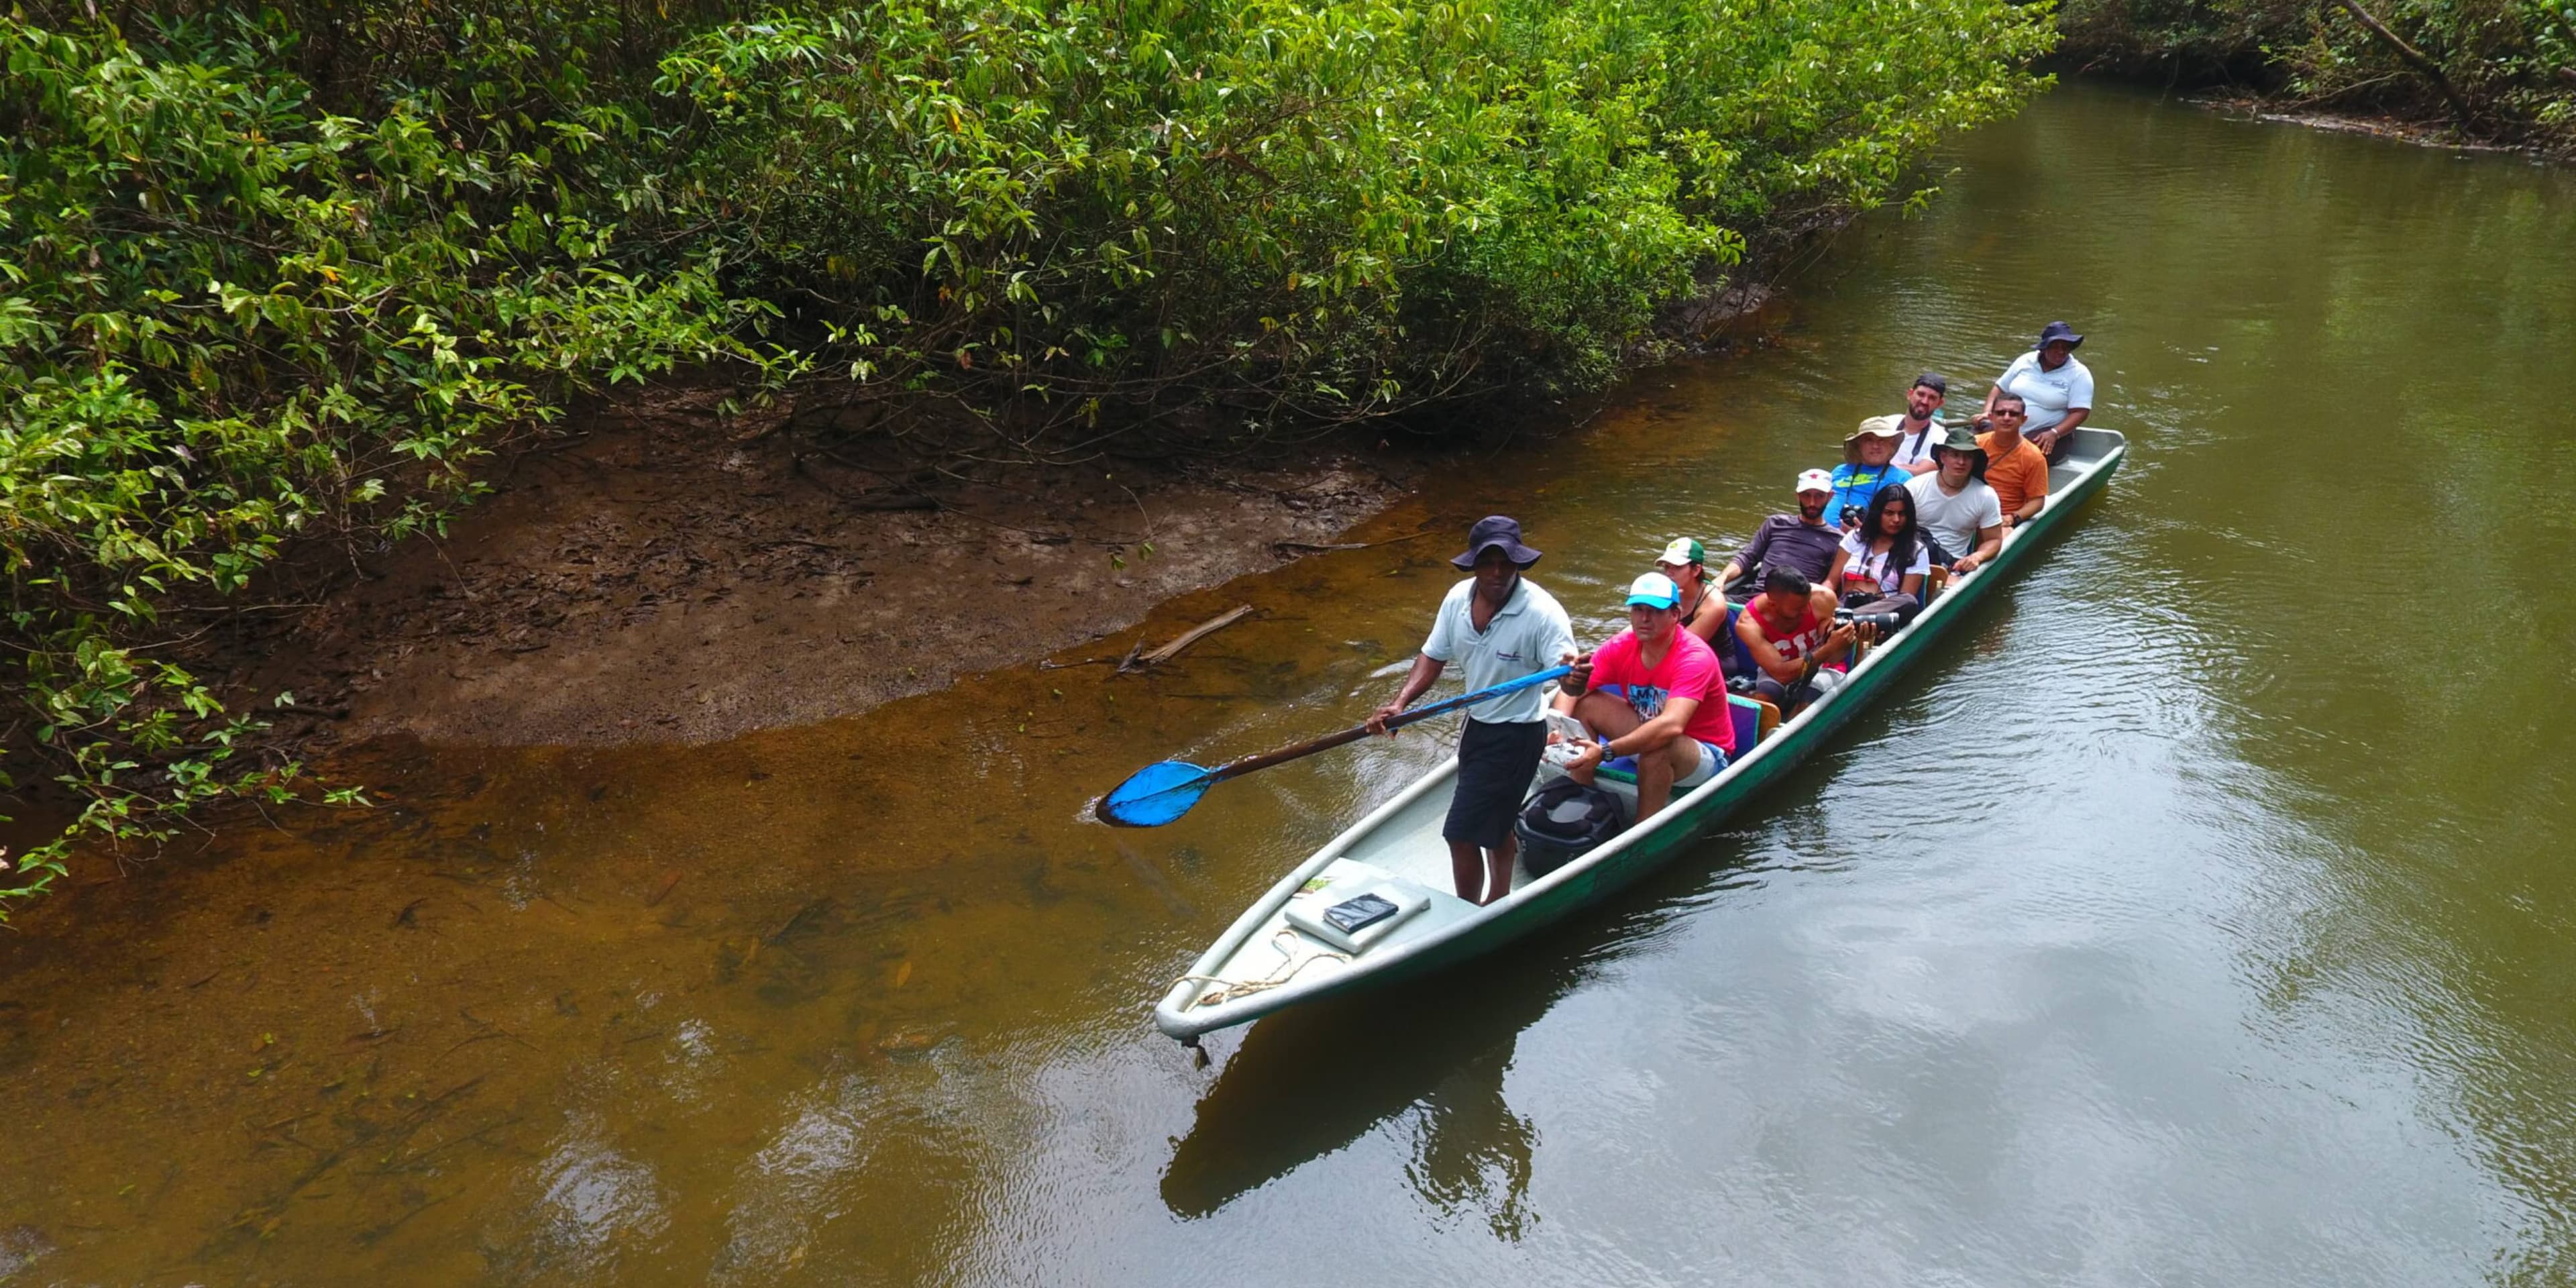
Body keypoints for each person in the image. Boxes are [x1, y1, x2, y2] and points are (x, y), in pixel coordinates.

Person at [1370, 515, 1576, 905]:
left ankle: (1466, 912)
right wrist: (1399, 704)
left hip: (1517, 735)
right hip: (1477, 727)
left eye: (1507, 563)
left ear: (1519, 564)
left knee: (1460, 833)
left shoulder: (1543, 613)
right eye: (1488, 563)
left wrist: (1576, 676)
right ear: (1475, 565)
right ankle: (1499, 897)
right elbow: (1432, 657)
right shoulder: (1457, 600)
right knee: (1496, 825)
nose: (1498, 573)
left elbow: (1568, 676)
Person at [1554, 573, 1733, 822]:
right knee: (1585, 703)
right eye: (1638, 610)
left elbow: (1672, 725)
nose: (1645, 619)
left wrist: (1606, 751)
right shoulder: (1621, 646)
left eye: (1655, 611)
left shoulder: (1694, 656)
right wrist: (1558, 726)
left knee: (1659, 744)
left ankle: (1643, 828)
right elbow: (1573, 690)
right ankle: (1584, 795)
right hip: (1647, 731)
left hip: (1701, 753)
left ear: (1675, 615)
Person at [1735, 566, 1855, 714]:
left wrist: (1847, 641)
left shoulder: (1824, 598)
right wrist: (1829, 648)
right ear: (1773, 605)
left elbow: (1836, 657)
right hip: (1780, 670)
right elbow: (1781, 674)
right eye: (1799, 608)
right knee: (1762, 704)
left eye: (1807, 604)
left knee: (1806, 710)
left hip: (1825, 667)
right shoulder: (1749, 623)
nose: (1806, 611)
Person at [1719, 470, 1845, 594]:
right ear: (1798, 496)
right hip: (1757, 597)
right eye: (1806, 495)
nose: (1812, 503)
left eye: (1819, 496)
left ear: (1830, 497)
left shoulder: (1838, 540)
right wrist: (1721, 578)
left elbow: (1830, 584)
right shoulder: (1775, 523)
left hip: (1796, 606)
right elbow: (1746, 558)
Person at [1984, 321, 2093, 464]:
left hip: (2046, 434)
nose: (2061, 352)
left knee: (2018, 456)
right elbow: (1999, 388)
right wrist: (1987, 413)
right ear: (2044, 348)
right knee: (1972, 444)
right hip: (2007, 423)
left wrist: (2054, 433)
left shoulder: (2079, 373)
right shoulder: (2025, 361)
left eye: (2066, 347)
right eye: (2055, 347)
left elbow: (2081, 412)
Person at [1905, 425, 2005, 574]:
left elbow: (1994, 540)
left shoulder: (1986, 495)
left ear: (1974, 461)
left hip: (1953, 566)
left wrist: (1977, 556)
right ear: (1943, 457)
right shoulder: (1915, 486)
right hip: (1910, 557)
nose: (1961, 462)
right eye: (1955, 455)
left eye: (1968, 457)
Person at [1824, 486, 1927, 621]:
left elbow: (1905, 600)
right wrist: (1819, 596)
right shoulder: (1855, 538)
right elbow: (1832, 581)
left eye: (1902, 514)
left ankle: (1848, 618)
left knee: (1909, 601)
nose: (1896, 520)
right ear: (1877, 514)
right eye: (1889, 513)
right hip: (1844, 605)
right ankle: (1846, 617)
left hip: (1881, 616)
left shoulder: (1916, 549)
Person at [1974, 394, 2049, 529]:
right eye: (2001, 413)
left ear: (2023, 420)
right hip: (1969, 511)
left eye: (2014, 414)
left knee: (1998, 544)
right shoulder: (1976, 444)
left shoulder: (2034, 457)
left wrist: (2012, 518)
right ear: (1991, 417)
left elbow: (2037, 501)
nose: (2007, 418)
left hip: (2001, 519)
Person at [1827, 417, 1914, 525]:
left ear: (1891, 445)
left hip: (1868, 539)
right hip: (1823, 535)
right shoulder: (1839, 471)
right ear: (1859, 445)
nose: (1875, 446)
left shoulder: (1903, 479)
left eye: (1882, 440)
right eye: (1869, 440)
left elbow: (1904, 522)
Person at [1888, 372, 1949, 476]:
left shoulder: (1942, 439)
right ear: (1910, 394)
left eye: (1932, 398)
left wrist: (1878, 465)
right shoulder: (1887, 423)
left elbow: (1921, 472)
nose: (1925, 402)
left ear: (1940, 404)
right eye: (1921, 394)